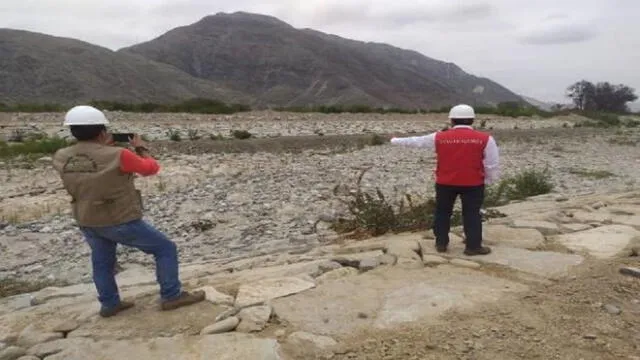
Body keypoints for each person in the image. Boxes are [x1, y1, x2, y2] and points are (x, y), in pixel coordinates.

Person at [52, 105, 205, 317]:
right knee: (165, 249)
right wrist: (141, 148)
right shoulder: (119, 154)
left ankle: (109, 304)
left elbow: (89, 169)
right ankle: (172, 295)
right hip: (118, 218)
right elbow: (150, 168)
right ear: (103, 131)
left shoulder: (61, 155)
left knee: (102, 261)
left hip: (86, 218)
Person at [390, 104, 499, 256]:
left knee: (442, 212)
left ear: (452, 120)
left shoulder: (439, 137)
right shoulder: (486, 139)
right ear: (472, 120)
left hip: (445, 183)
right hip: (473, 183)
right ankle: (473, 246)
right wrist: (489, 180)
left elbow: (417, 141)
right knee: (472, 214)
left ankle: (441, 243)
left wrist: (395, 140)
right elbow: (491, 164)